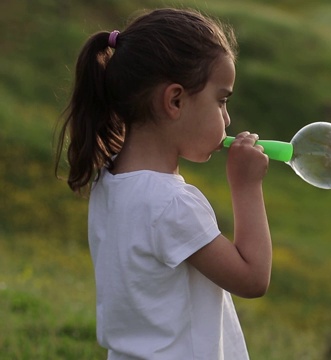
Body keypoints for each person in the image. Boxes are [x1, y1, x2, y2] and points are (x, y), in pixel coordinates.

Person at [55, 8, 272, 359]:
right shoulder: (172, 204)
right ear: (174, 100)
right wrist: (245, 186)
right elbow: (252, 278)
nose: (227, 119)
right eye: (221, 100)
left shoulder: (108, 181)